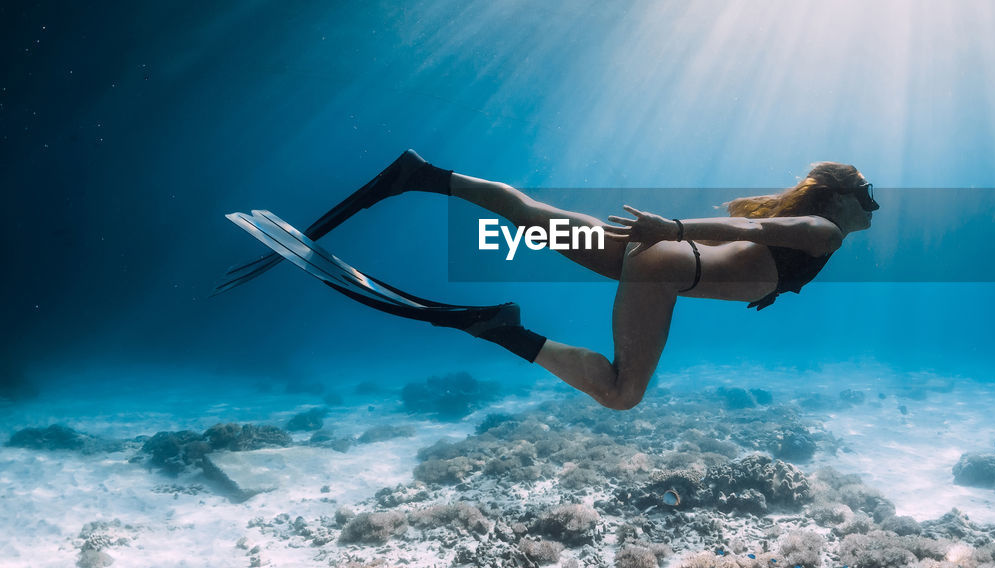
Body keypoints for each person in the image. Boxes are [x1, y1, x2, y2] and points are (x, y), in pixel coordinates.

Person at [223, 153, 877, 410]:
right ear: (841, 197)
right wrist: (668, 226)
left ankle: (420, 175)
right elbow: (755, 239)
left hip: (652, 252)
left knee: (531, 214)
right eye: (866, 193)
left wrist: (663, 232)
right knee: (622, 393)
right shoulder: (823, 232)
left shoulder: (805, 221)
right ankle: (504, 332)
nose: (873, 204)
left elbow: (753, 239)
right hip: (662, 265)